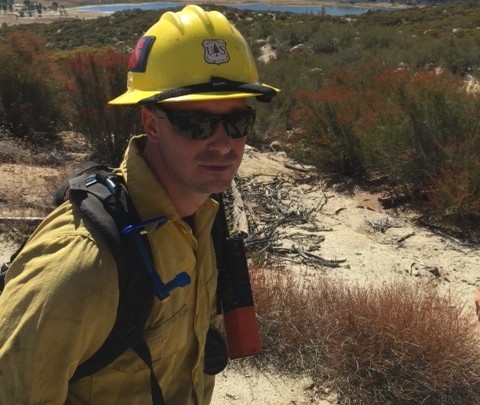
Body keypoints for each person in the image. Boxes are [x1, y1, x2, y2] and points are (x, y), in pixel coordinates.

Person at [0, 4, 278, 404]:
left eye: (237, 122)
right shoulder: (83, 265)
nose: (222, 143)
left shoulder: (205, 219)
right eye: (196, 123)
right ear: (151, 124)